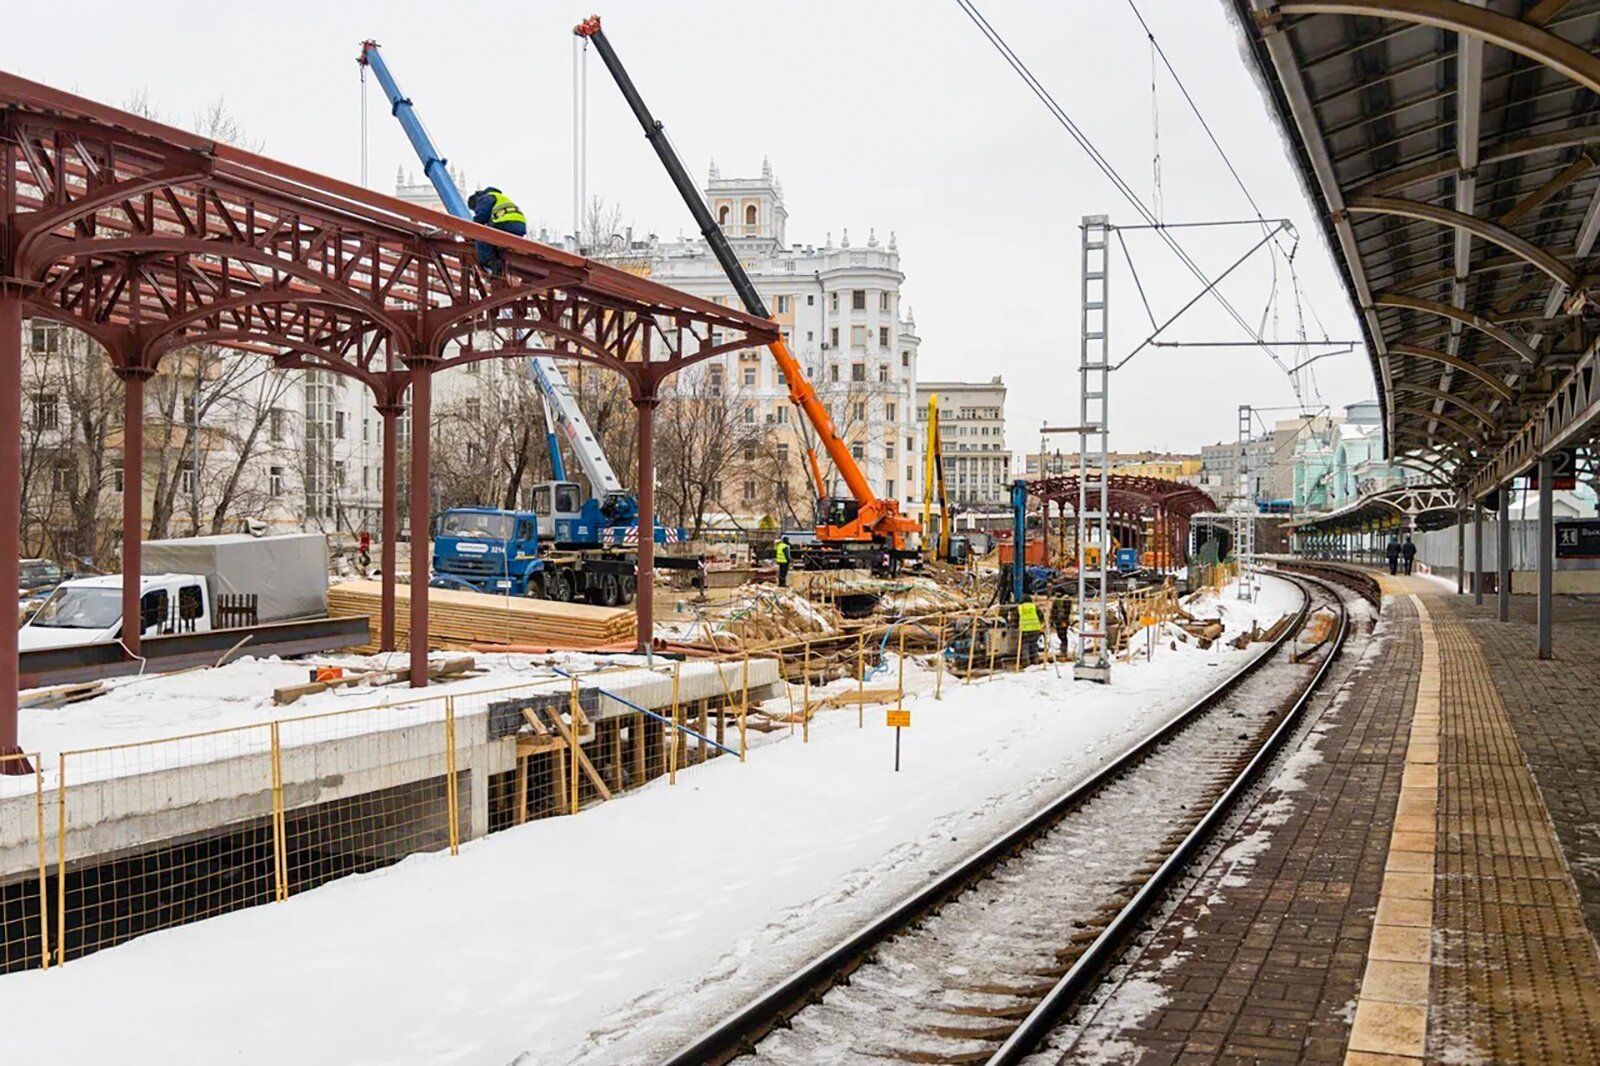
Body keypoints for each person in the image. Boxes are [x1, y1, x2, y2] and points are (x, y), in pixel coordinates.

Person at [466, 187, 527, 277]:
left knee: (481, 236)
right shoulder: (501, 197)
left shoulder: (485, 198)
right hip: (520, 226)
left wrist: (471, 233)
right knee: (492, 238)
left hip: (505, 223)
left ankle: (491, 262)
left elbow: (481, 218)